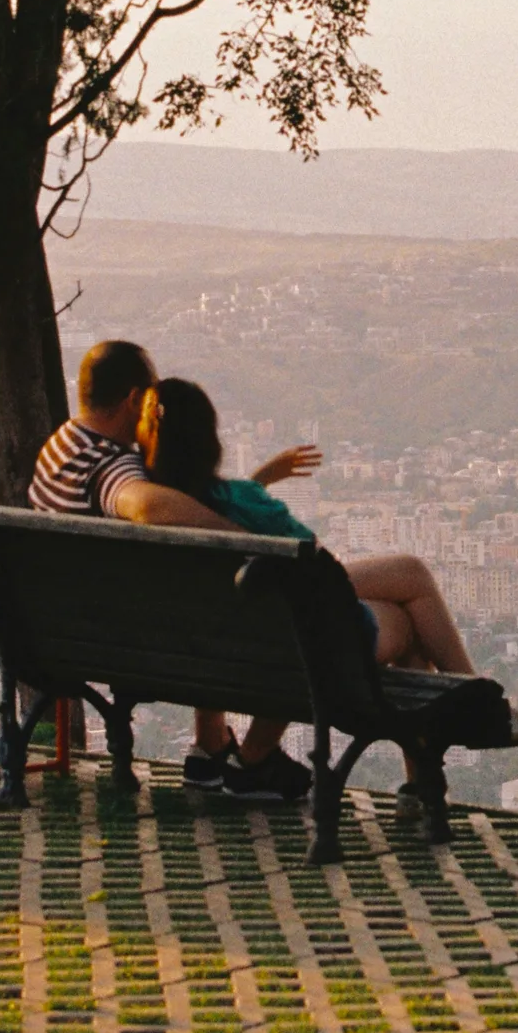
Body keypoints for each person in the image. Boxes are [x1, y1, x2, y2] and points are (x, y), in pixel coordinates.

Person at [123, 381, 485, 792]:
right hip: (309, 648)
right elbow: (312, 561)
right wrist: (256, 492)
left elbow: (230, 525)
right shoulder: (239, 502)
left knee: (406, 589)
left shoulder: (147, 506)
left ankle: (429, 773)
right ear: (209, 440)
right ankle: (474, 709)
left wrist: (259, 482)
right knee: (413, 598)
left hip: (221, 652)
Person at [27, 339, 300, 802]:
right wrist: (241, 535)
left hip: (59, 630)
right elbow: (143, 503)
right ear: (135, 399)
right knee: (248, 602)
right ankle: (244, 756)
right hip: (129, 644)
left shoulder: (59, 448)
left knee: (190, 584)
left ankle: (211, 746)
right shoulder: (112, 465)